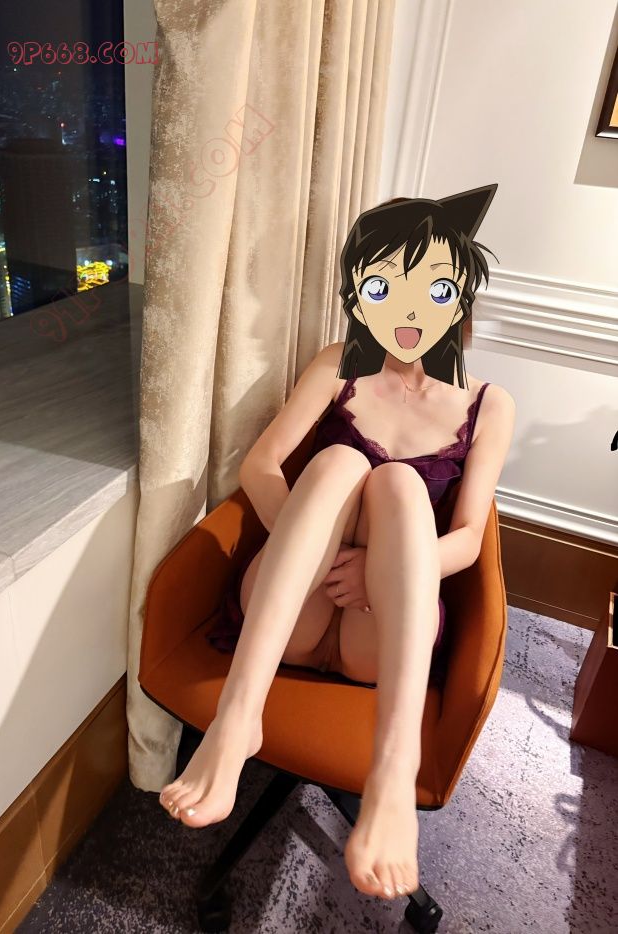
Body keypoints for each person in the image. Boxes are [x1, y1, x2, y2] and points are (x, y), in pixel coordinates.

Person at [158, 185, 516, 903]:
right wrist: (312, 550)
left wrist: (381, 570)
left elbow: (469, 541)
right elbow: (259, 467)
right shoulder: (339, 365)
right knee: (339, 464)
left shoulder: (488, 406)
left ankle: (393, 769)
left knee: (401, 486)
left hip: (376, 632)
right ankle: (238, 720)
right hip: (290, 610)